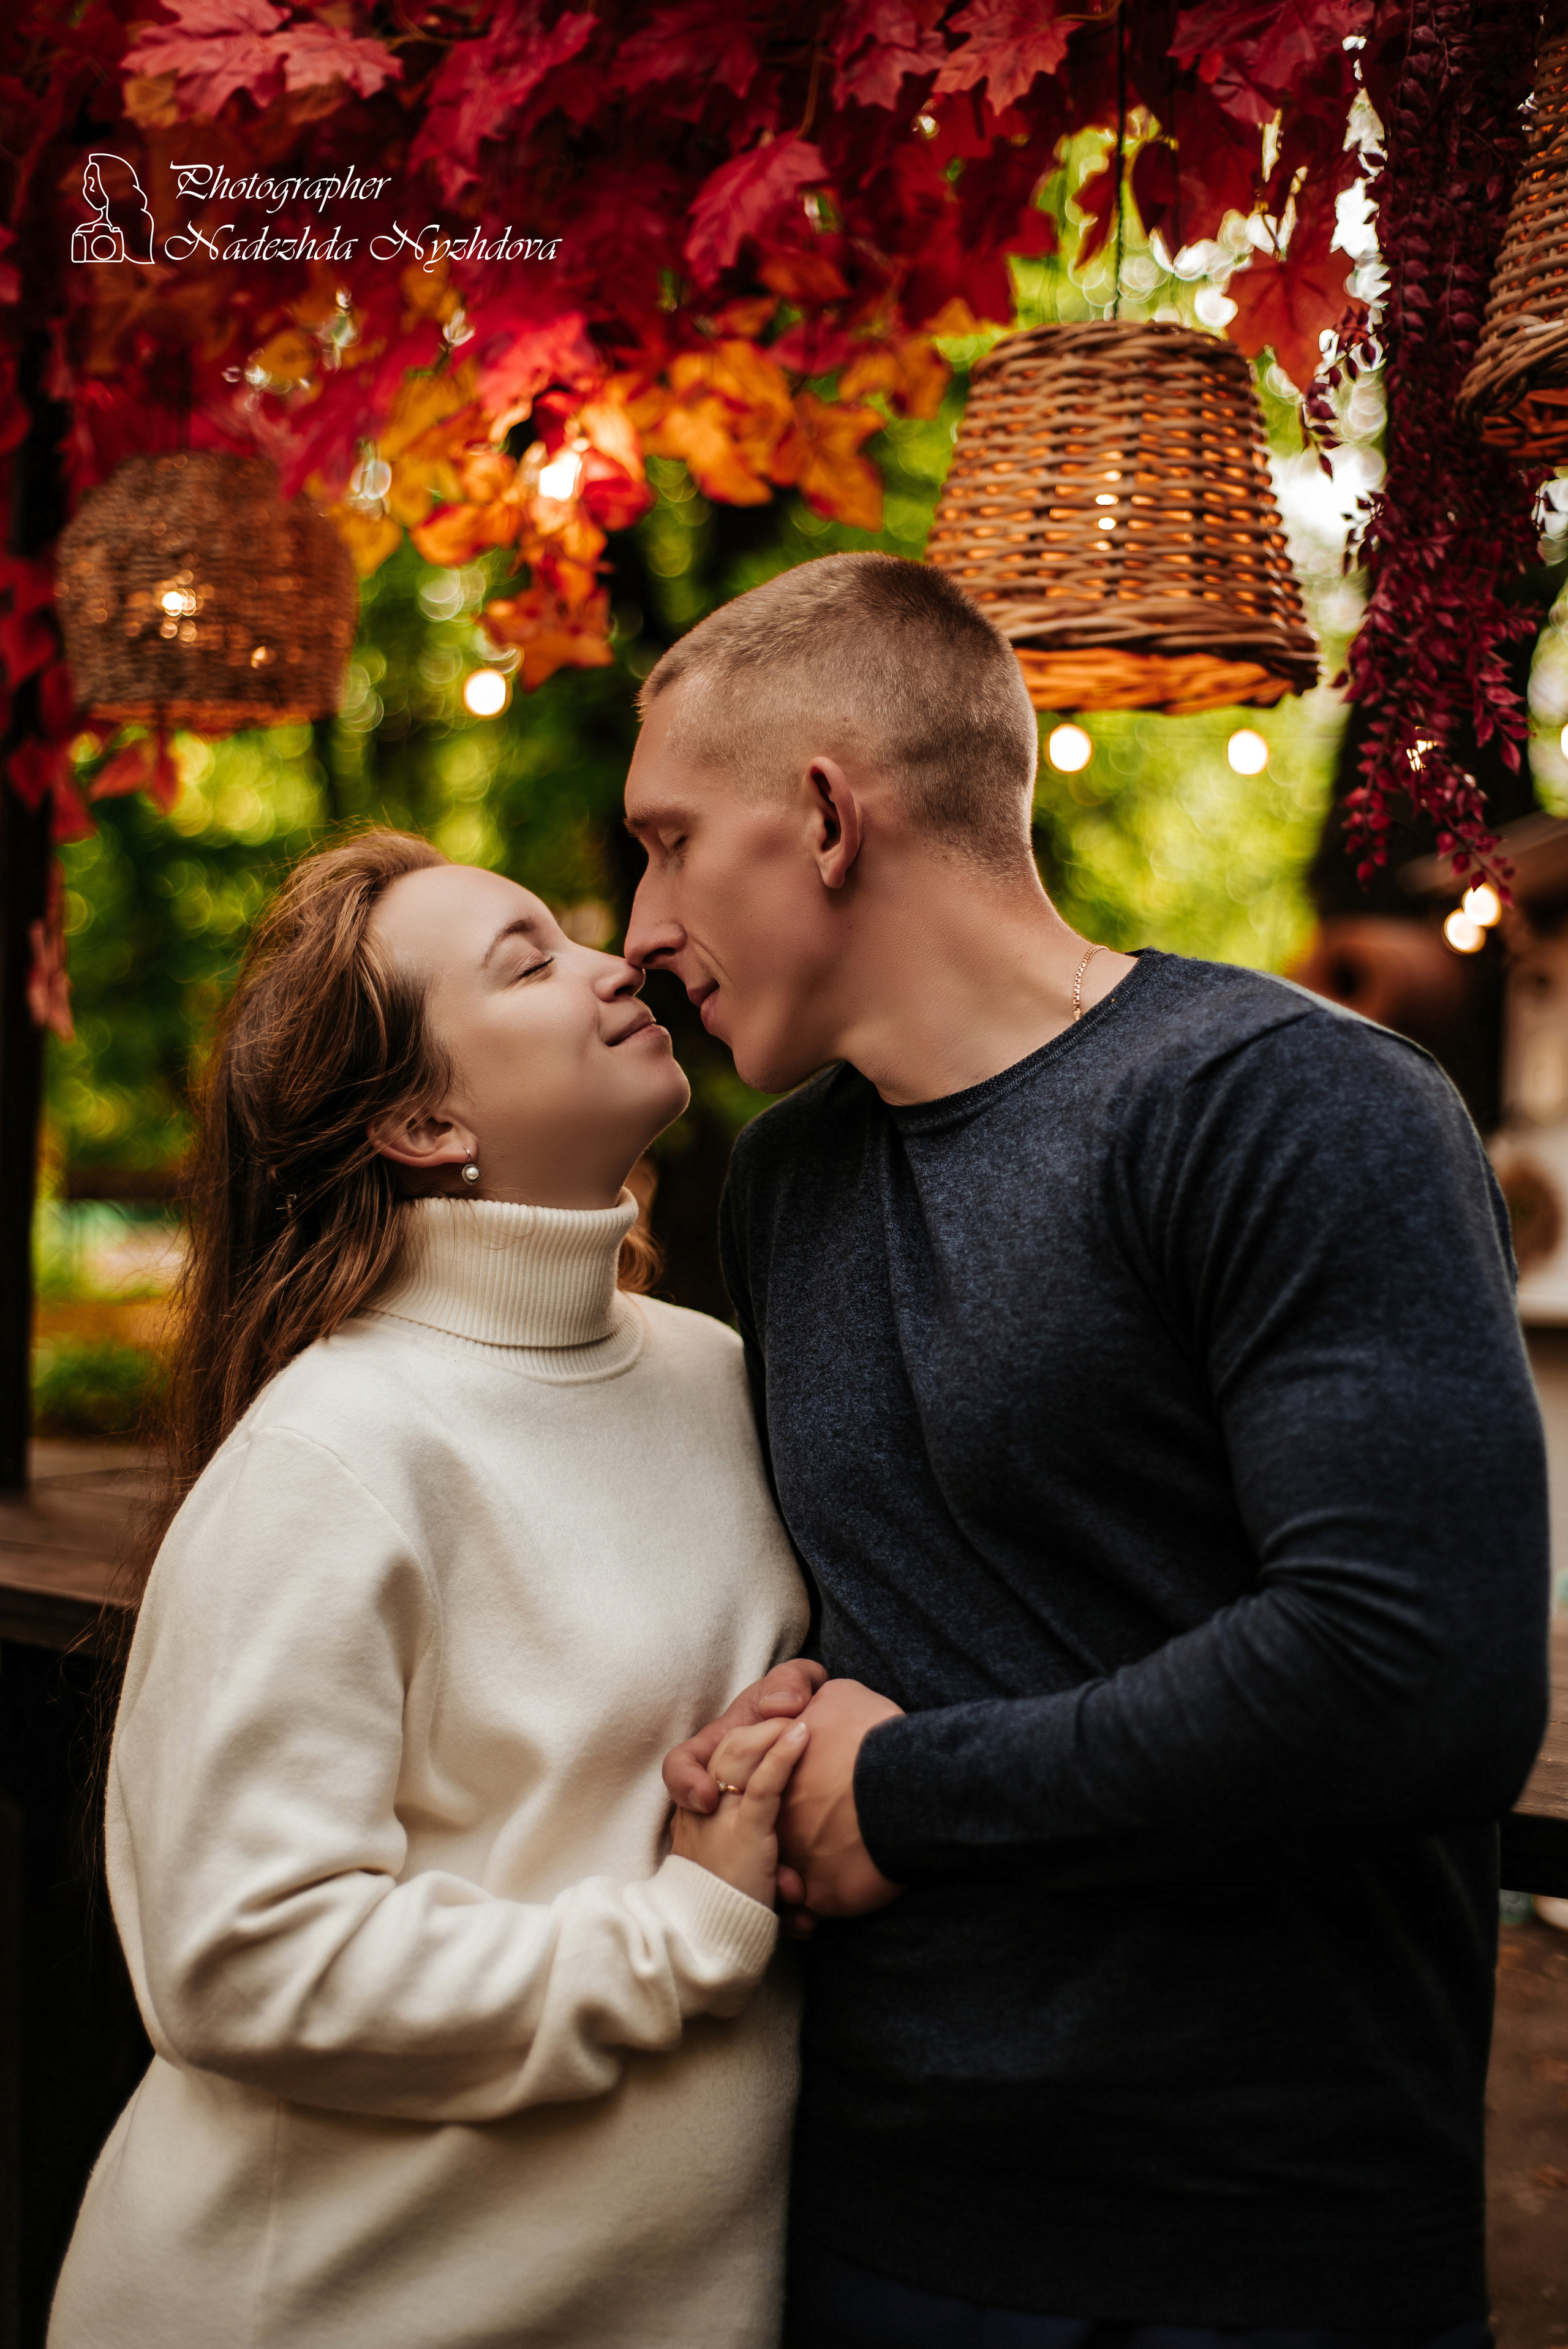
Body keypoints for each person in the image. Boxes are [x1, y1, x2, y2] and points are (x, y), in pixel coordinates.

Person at [633, 553, 1553, 2349]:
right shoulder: (788, 1178)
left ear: (826, 817)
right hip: (854, 2215)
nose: (641, 924)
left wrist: (906, 1798)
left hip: (1244, 2255)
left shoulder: (1287, 1107)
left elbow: (1412, 1673)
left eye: (669, 839)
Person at [50, 831, 814, 2349]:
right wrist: (681, 1934)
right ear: (419, 1117)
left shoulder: (715, 1375)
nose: (617, 964)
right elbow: (239, 1961)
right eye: (527, 962)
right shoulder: (335, 1456)